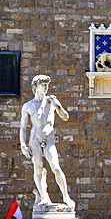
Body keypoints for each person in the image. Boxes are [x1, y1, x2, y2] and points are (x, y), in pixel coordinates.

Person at [19, 75, 75, 208]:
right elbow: (22, 127)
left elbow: (65, 117)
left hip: (49, 139)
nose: (46, 87)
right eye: (43, 85)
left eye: (47, 85)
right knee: (38, 168)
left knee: (56, 167)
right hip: (35, 139)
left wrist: (59, 106)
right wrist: (23, 144)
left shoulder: (51, 102)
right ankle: (44, 197)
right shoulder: (28, 106)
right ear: (35, 87)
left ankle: (66, 197)